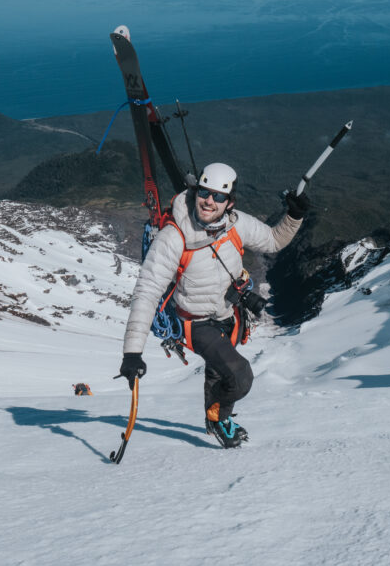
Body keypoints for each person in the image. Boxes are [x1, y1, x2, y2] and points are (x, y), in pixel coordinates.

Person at [118, 162, 309, 448]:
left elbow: (272, 240)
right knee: (240, 376)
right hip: (195, 322)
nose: (209, 201)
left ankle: (215, 414)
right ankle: (220, 420)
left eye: (219, 197)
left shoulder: (236, 223)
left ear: (230, 202)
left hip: (228, 313)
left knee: (220, 370)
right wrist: (132, 352)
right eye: (205, 193)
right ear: (196, 192)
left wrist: (295, 215)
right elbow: (147, 291)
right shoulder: (174, 237)